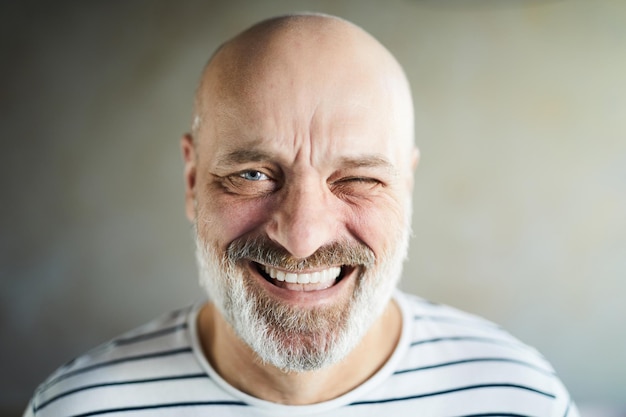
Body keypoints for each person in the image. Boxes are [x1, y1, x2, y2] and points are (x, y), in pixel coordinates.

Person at [24, 13, 579, 417]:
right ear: (193, 180)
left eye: (358, 178)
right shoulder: (78, 408)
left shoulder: (518, 396)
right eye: (252, 175)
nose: (302, 237)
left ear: (406, 186)